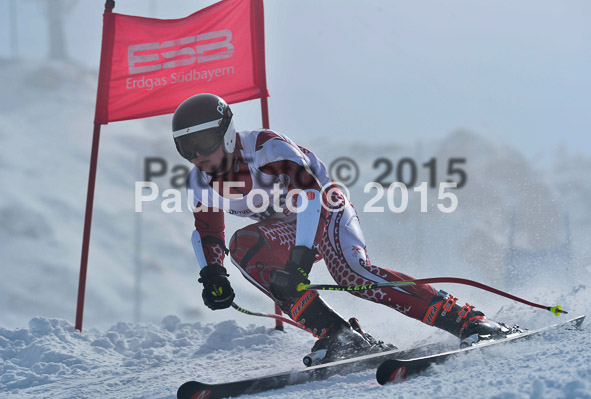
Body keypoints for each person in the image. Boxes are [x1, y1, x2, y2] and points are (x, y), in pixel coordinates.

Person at [172, 93, 513, 364]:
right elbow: (207, 233)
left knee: (353, 277)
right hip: (286, 228)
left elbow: (309, 197)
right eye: (188, 148)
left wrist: (301, 258)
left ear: (226, 134)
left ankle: (467, 320)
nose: (198, 155)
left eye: (204, 142)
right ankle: (337, 335)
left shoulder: (267, 148)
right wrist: (213, 274)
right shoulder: (199, 182)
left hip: (326, 210)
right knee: (244, 245)